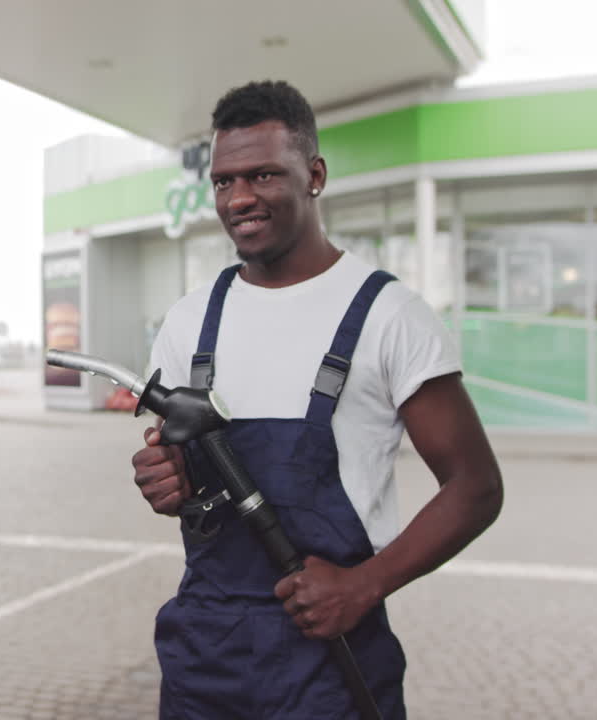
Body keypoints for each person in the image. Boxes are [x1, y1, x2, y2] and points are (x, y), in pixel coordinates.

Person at [131, 80, 503, 719]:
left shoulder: (391, 316)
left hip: (331, 661)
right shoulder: (188, 322)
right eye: (224, 182)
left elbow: (475, 486)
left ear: (315, 175)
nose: (240, 198)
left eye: (264, 175)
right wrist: (162, 480)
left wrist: (366, 585)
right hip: (204, 655)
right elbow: (174, 472)